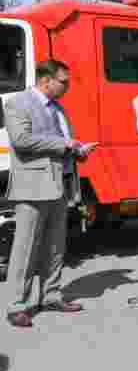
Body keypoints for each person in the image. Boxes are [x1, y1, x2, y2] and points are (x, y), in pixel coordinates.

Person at [5, 60, 95, 328]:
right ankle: (17, 305)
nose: (67, 86)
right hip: (33, 187)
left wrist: (78, 151)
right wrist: (63, 143)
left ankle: (51, 295)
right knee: (26, 248)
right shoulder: (18, 103)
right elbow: (21, 140)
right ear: (46, 80)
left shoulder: (58, 108)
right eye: (63, 81)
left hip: (60, 185)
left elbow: (62, 145)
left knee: (56, 246)